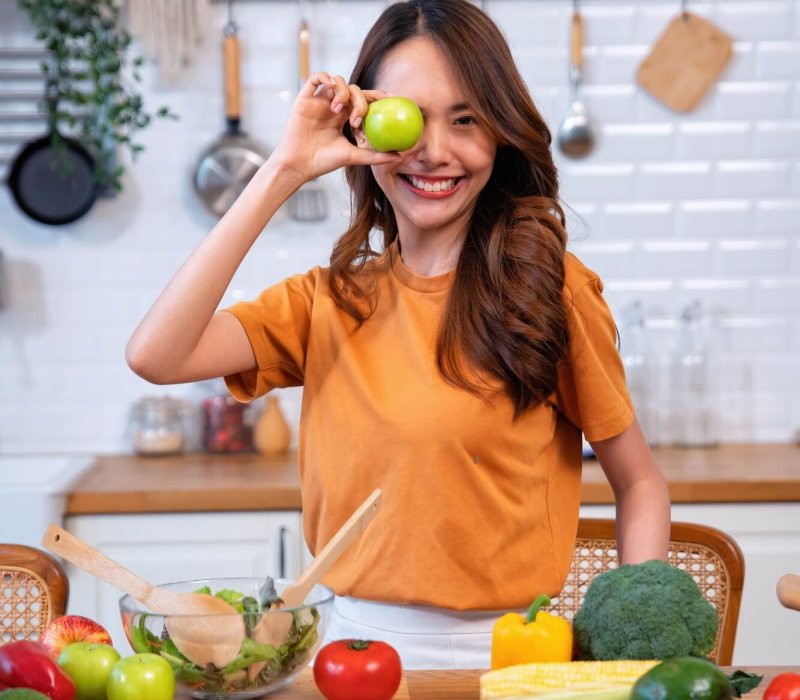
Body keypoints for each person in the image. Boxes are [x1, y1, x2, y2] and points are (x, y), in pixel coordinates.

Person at [126, 0, 670, 670]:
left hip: (511, 655)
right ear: (363, 128)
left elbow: (640, 484)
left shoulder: (548, 293)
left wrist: (633, 646)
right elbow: (156, 354)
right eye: (410, 118)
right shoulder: (327, 302)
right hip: (343, 652)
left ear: (500, 133)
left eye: (466, 120)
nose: (435, 152)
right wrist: (286, 168)